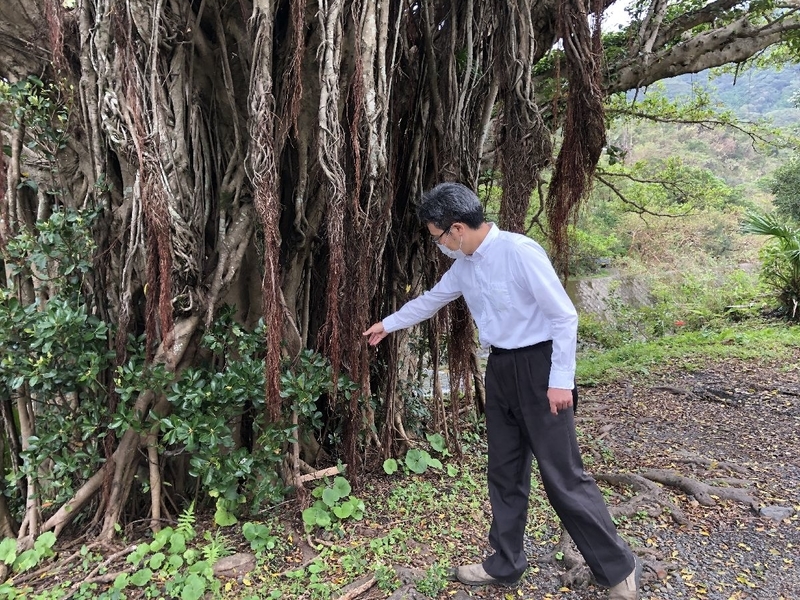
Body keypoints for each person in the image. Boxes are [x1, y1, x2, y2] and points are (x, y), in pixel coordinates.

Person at [363, 183, 642, 599]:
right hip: (501, 369)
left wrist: (560, 379)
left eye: (437, 237)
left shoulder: (519, 252)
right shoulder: (465, 266)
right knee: (505, 473)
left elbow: (564, 315)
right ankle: (505, 563)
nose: (438, 245)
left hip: (540, 368)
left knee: (562, 476)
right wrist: (388, 323)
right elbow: (431, 300)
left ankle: (618, 569)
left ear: (456, 228)